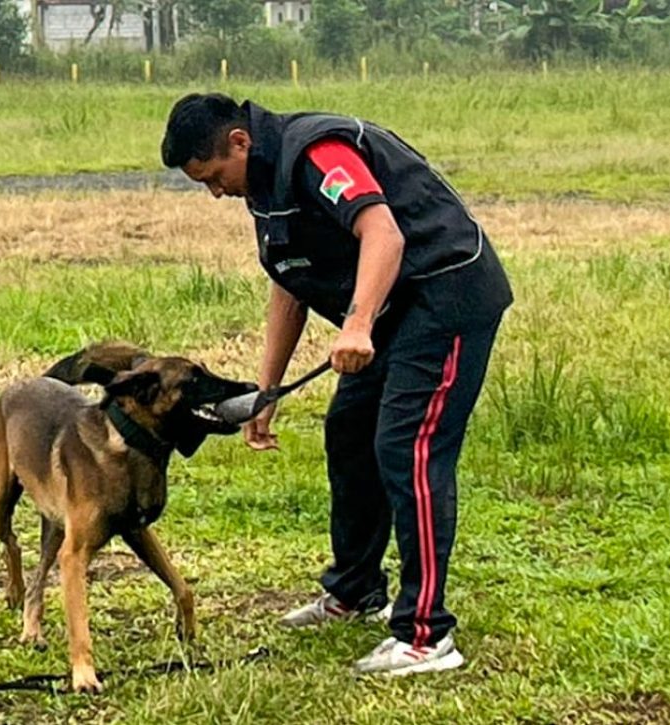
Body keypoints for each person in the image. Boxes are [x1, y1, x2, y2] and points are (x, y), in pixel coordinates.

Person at [161, 93, 512, 676]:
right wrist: (266, 395)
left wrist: (356, 325)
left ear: (238, 143)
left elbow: (384, 235)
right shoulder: (263, 185)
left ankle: (425, 637)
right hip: (389, 311)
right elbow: (290, 282)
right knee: (349, 436)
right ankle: (355, 592)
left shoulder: (318, 152)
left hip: (445, 294)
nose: (216, 192)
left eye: (214, 177)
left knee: (407, 448)